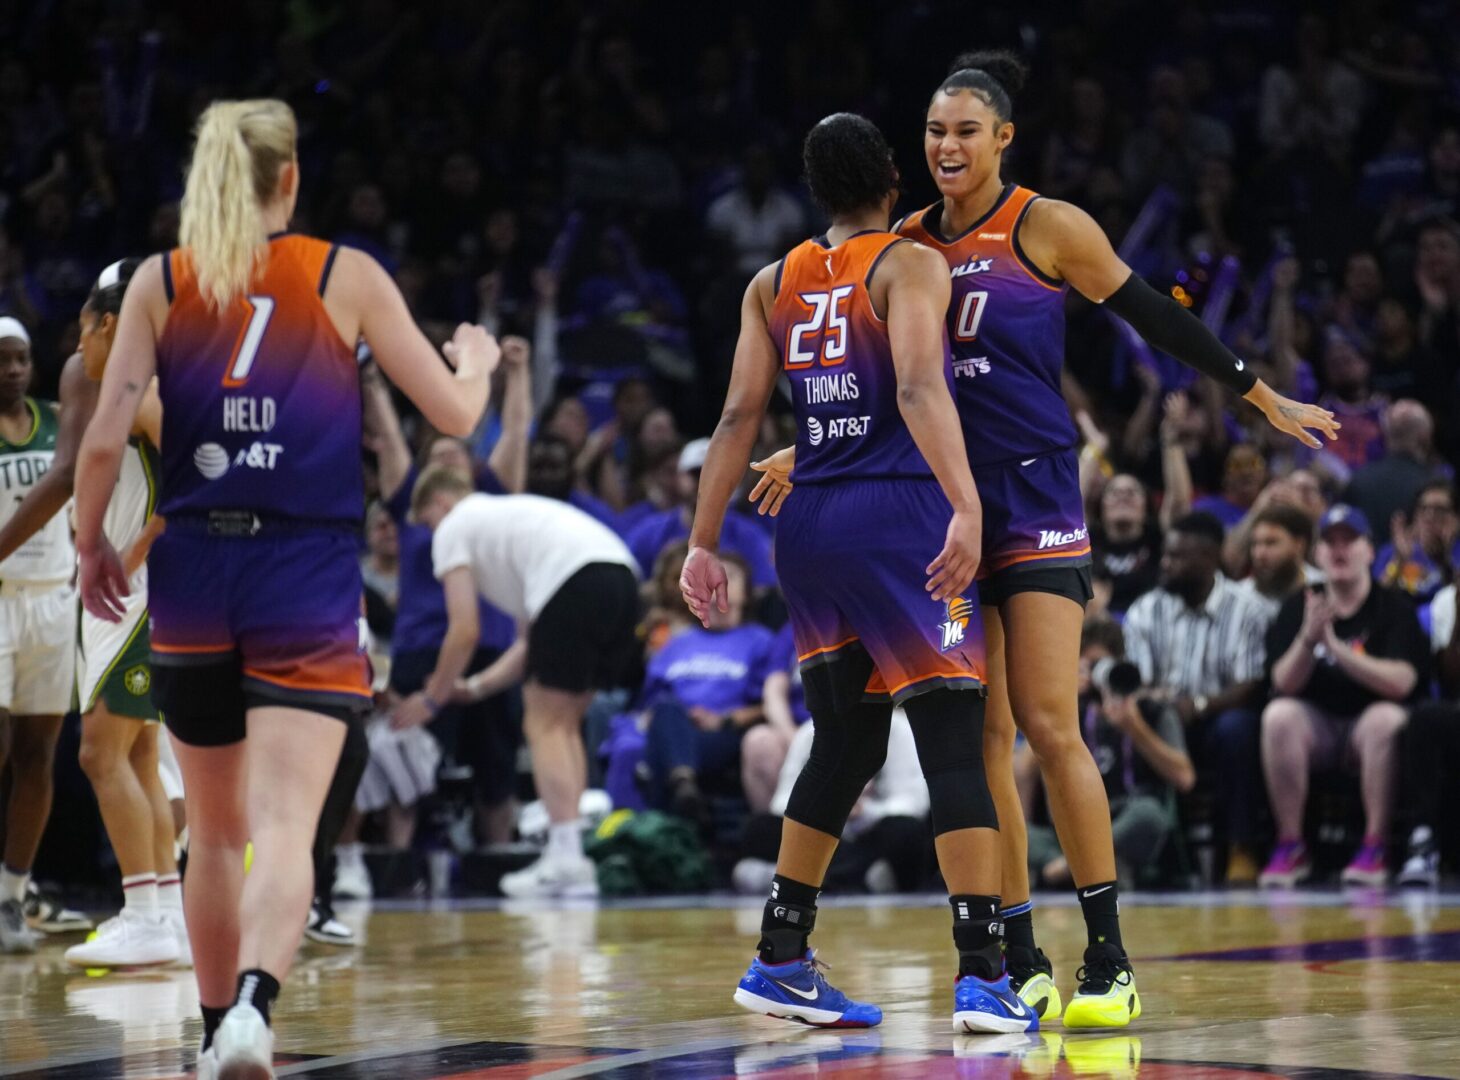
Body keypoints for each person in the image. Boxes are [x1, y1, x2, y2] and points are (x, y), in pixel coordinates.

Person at [747, 50, 1336, 1027]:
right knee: (984, 739)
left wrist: (1252, 389)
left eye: (964, 132)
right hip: (937, 511)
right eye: (933, 132)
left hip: (1035, 498)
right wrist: (794, 448)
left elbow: (1150, 312)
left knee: (1050, 721)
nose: (945, 147)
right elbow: (869, 373)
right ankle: (1015, 954)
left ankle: (1105, 956)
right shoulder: (898, 243)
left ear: (1001, 138)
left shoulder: (1044, 225)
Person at [72, 99, 494, 1078]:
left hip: (192, 573)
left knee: (211, 834)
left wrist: (95, 543)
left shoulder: (158, 280)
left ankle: (215, 1027)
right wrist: (472, 365)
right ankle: (256, 1013)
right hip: (300, 569)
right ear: (290, 178)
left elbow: (103, 432)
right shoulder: (343, 274)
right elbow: (453, 419)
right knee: (284, 826)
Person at [684, 112, 1031, 1034]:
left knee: (846, 746)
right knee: (955, 742)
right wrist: (967, 504)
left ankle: (781, 957)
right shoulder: (907, 262)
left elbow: (733, 421)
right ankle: (984, 973)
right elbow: (917, 388)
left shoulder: (772, 281)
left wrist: (700, 542)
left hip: (810, 528)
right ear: (888, 173)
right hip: (900, 519)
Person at [0, 260, 187, 968]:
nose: (74, 347)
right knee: (135, 752)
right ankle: (163, 913)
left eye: (84, 327)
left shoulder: (144, 386)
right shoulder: (114, 378)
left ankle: (144, 910)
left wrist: (141, 542)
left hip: (136, 591)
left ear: (110, 322)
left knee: (97, 751)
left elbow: (204, 471)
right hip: (114, 588)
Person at [396, 470, 641, 899]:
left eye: (429, 522)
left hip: (575, 582)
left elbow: (464, 630)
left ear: (439, 503)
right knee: (563, 724)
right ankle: (573, 856)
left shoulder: (455, 524)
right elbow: (529, 645)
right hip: (621, 579)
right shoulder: (515, 526)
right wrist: (471, 689)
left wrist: (432, 699)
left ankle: (565, 857)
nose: (433, 536)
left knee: (543, 724)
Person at [1260, 505, 1430, 888]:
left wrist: (1336, 649)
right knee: (1278, 716)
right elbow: (1282, 683)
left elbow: (1402, 682)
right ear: (1317, 555)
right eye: (1330, 542)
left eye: (1349, 541)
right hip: (1317, 728)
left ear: (1370, 551)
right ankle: (1291, 845)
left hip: (1369, 729)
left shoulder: (1392, 607)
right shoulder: (1300, 606)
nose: (1339, 550)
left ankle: (1375, 846)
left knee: (1385, 719)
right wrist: (1308, 639)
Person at [1122, 513, 1272, 882]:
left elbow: (1250, 683)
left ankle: (1241, 845)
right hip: (1164, 719)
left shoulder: (1247, 609)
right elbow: (1137, 681)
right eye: (1166, 555)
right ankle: (1157, 848)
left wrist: (1199, 705)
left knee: (1238, 729)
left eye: (1177, 557)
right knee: (1134, 716)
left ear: (1208, 558)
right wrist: (1162, 703)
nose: (1165, 564)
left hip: (1217, 717)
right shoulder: (1146, 609)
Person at [0, 316, 76, 955]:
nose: (13, 370)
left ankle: (12, 894)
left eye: (21, 359)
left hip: (55, 597)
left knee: (38, 755)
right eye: (3, 360)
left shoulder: (58, 420)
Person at [1023, 618, 1195, 888]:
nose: (1094, 676)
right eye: (1086, 667)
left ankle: (1069, 869)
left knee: (1148, 814)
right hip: (1080, 824)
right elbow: (1051, 805)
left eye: (1100, 665)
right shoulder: (1069, 715)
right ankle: (1097, 867)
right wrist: (1061, 701)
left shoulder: (1152, 710)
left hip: (1129, 816)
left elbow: (1184, 778)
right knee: (1018, 833)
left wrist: (1135, 728)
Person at [1374, 481, 1459, 604]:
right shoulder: (1391, 553)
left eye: (1440, 510)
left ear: (1456, 519)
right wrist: (1399, 561)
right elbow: (1374, 604)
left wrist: (1442, 556)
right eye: (1424, 509)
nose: (1429, 517)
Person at [1235, 503, 1322, 622]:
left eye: (1271, 543)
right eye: (1255, 544)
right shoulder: (1240, 597)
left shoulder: (1324, 588)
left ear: (1299, 545)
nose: (1259, 554)